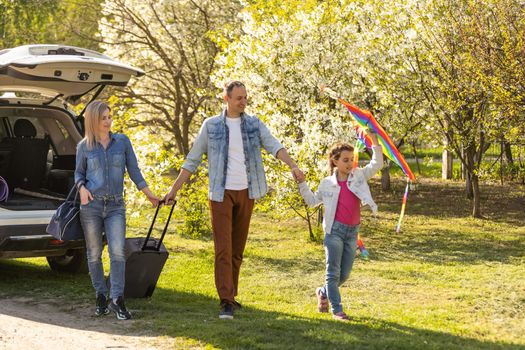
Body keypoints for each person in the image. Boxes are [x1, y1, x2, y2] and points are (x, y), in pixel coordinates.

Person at [164, 81, 304, 319]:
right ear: (226, 98)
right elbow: (192, 160)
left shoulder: (254, 124)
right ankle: (226, 300)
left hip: (247, 192)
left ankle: (232, 295)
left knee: (237, 249)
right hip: (220, 194)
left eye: (245, 97)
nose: (243, 102)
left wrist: (292, 165)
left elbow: (274, 146)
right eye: (239, 97)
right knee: (223, 249)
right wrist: (174, 189)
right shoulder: (211, 126)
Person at [75, 100, 160, 320]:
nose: (108, 121)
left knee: (118, 253)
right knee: (94, 254)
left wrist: (150, 195)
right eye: (103, 118)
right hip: (91, 206)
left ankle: (117, 299)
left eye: (109, 117)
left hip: (115, 206)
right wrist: (81, 188)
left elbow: (134, 171)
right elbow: (78, 174)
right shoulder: (84, 146)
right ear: (93, 120)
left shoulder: (122, 142)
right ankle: (100, 296)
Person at [296, 131, 383, 321]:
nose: (350, 163)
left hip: (352, 232)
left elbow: (377, 164)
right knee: (333, 272)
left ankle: (322, 291)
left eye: (352, 159)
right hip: (334, 231)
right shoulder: (327, 184)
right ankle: (337, 310)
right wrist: (302, 183)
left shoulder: (358, 176)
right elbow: (311, 201)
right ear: (335, 161)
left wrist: (374, 140)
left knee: (344, 274)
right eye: (345, 160)